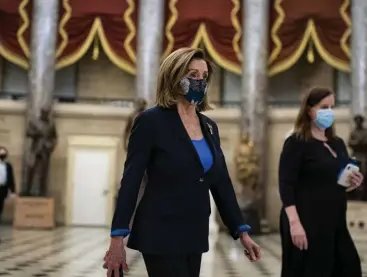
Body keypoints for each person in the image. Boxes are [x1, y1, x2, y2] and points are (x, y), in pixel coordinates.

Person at [104, 47, 261, 277]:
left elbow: (221, 184)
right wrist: (117, 236)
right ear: (174, 77)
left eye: (204, 76)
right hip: (159, 230)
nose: (200, 81)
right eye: (192, 75)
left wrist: (242, 232)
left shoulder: (209, 127)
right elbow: (131, 179)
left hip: (194, 232)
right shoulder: (151, 121)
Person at [278, 87, 364, 277]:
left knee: (350, 266)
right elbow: (286, 185)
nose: (329, 112)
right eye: (324, 106)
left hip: (335, 221)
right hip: (306, 221)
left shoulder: (337, 143)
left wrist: (353, 183)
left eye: (332, 107)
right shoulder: (296, 143)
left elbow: (336, 182)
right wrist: (295, 224)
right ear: (309, 110)